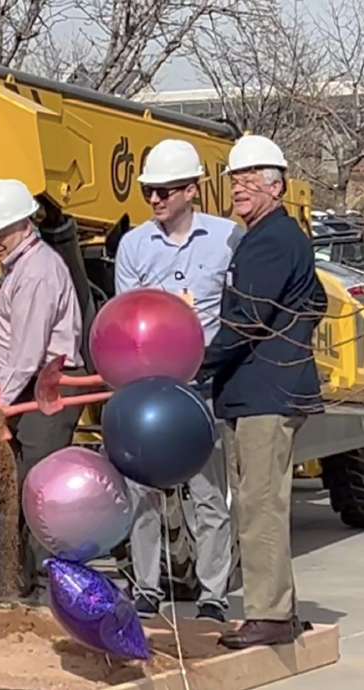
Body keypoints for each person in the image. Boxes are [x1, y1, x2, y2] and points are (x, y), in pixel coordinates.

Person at [196, 135, 326, 649]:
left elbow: (246, 320)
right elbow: (311, 299)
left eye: (252, 179)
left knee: (257, 505)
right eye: (234, 179)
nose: (239, 188)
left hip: (265, 394)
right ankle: (279, 610)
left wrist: (197, 361)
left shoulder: (271, 239)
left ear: (278, 186)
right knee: (261, 501)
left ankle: (269, 615)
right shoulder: (277, 236)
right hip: (264, 389)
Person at [114, 139, 240, 623]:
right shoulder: (134, 244)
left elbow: (238, 309)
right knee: (142, 492)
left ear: (192, 190)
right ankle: (146, 587)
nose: (155, 200)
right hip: (146, 388)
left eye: (165, 190)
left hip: (201, 389)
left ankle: (213, 592)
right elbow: (127, 317)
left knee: (208, 495)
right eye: (149, 191)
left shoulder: (227, 238)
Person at [0, 178, 85, 601]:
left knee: (40, 487)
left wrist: (0, 401)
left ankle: (46, 585)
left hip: (43, 391)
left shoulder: (37, 272)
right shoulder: (21, 267)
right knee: (18, 487)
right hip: (24, 389)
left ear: (23, 225)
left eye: (0, 234)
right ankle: (22, 580)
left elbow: (28, 349)